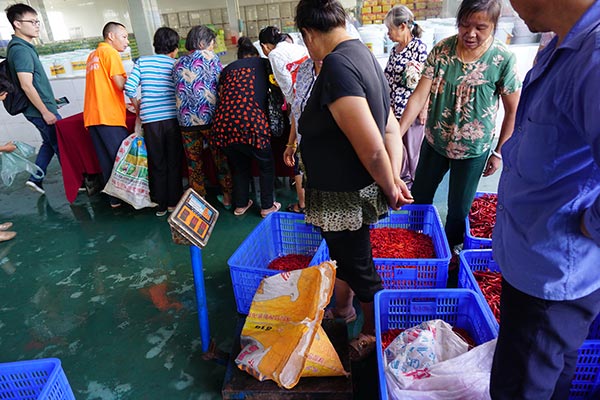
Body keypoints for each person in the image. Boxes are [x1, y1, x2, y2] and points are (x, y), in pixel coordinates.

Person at [490, 1, 600, 399]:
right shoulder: (562, 46)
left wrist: (592, 224)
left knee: (519, 387)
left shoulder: (594, 58)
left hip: (552, 276)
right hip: (537, 263)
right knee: (551, 374)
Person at [295, 0, 413, 361]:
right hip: (347, 192)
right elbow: (390, 126)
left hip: (342, 195)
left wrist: (390, 183)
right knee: (344, 256)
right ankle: (343, 310)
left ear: (309, 34)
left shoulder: (336, 65)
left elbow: (371, 146)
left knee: (360, 266)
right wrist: (392, 177)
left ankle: (373, 331)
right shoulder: (363, 55)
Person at [397, 0, 521, 261]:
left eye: (480, 27)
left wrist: (499, 152)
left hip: (473, 150)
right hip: (435, 142)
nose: (471, 33)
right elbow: (419, 96)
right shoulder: (442, 51)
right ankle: (412, 242)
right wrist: (396, 136)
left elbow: (513, 110)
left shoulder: (502, 59)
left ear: (494, 26)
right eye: (465, 25)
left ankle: (449, 255)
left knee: (458, 209)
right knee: (419, 196)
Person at [211, 37, 280, 217]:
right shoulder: (264, 64)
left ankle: (240, 205)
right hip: (252, 122)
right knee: (266, 165)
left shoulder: (227, 70)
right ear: (257, 54)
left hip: (223, 124)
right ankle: (267, 206)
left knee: (239, 166)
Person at [124, 27, 184, 217]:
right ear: (174, 47)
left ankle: (159, 204)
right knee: (173, 162)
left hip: (151, 120)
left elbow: (129, 87)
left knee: (157, 162)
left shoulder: (142, 62)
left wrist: (139, 107)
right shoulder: (176, 64)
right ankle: (173, 204)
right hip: (172, 119)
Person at [173, 25, 232, 208]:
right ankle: (228, 198)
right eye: (212, 44)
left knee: (194, 163)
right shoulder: (211, 58)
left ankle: (200, 202)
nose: (213, 48)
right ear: (202, 43)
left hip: (186, 122)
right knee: (220, 159)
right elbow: (220, 84)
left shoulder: (177, 63)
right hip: (210, 119)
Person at [5, 3, 60, 196]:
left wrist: (49, 98)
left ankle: (36, 178)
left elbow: (33, 82)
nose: (37, 25)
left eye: (38, 21)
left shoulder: (23, 47)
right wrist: (45, 111)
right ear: (17, 24)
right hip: (40, 111)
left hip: (40, 107)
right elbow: (26, 85)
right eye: (32, 22)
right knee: (62, 145)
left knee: (49, 143)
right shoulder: (20, 49)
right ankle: (79, 182)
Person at [84, 21, 130, 208]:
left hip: (93, 116)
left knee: (106, 159)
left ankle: (115, 200)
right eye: (124, 37)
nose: (126, 42)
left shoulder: (92, 55)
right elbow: (120, 84)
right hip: (108, 116)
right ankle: (129, 199)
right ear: (111, 36)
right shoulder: (110, 53)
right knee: (121, 158)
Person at [383, 5, 428, 189]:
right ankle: (400, 185)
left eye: (390, 29)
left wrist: (424, 108)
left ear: (403, 26)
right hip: (394, 111)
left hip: (412, 111)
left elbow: (428, 82)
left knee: (413, 152)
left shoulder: (419, 49)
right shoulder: (395, 51)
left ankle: (415, 190)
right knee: (396, 150)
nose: (388, 34)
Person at [283, 55, 323, 214]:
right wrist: (291, 143)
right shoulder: (305, 69)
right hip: (304, 141)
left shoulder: (338, 68)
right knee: (300, 170)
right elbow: (296, 110)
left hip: (327, 147)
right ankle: (305, 205)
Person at [258, 26, 308, 103]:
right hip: (310, 88)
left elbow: (286, 83)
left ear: (264, 46)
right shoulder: (299, 47)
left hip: (299, 96)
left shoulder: (275, 55)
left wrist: (291, 104)